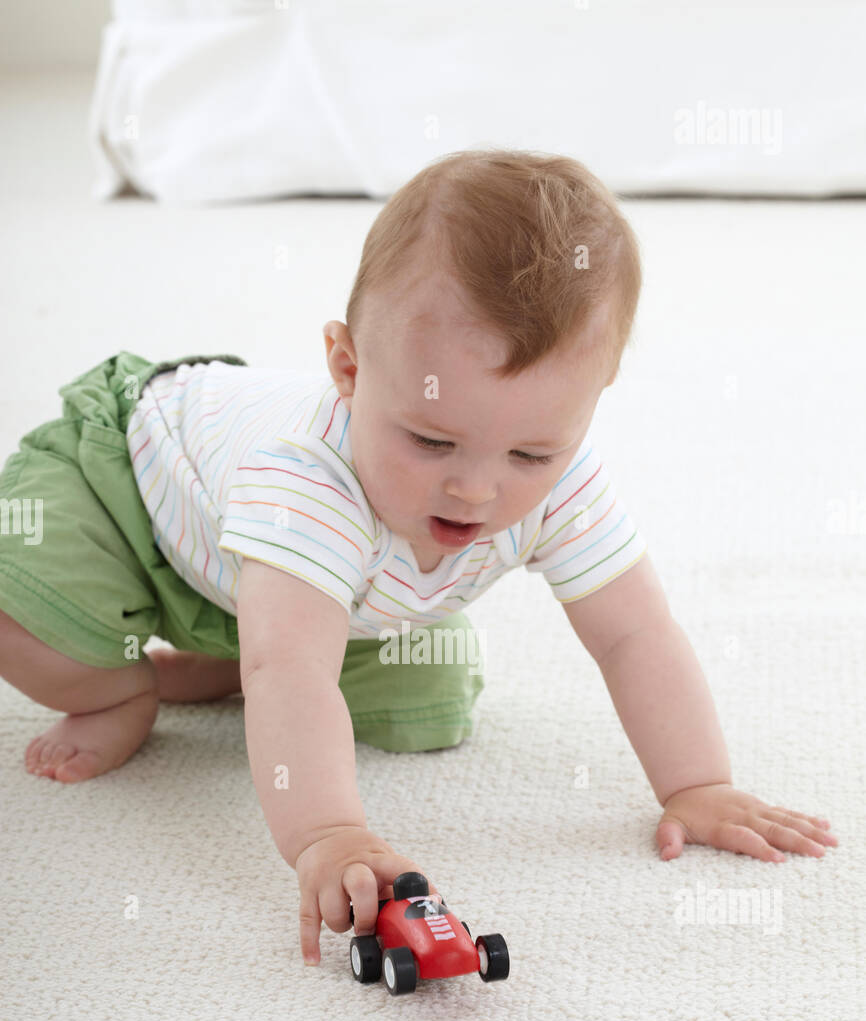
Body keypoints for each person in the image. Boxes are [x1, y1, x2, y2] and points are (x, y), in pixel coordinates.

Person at [0, 149, 837, 965]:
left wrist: (697, 783)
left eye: (530, 455)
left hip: (287, 590)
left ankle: (213, 659)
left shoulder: (563, 482)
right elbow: (291, 676)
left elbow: (635, 636)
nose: (476, 491)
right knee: (24, 606)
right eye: (433, 439)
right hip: (125, 496)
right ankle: (125, 684)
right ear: (349, 367)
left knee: (432, 701)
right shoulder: (308, 480)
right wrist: (328, 834)